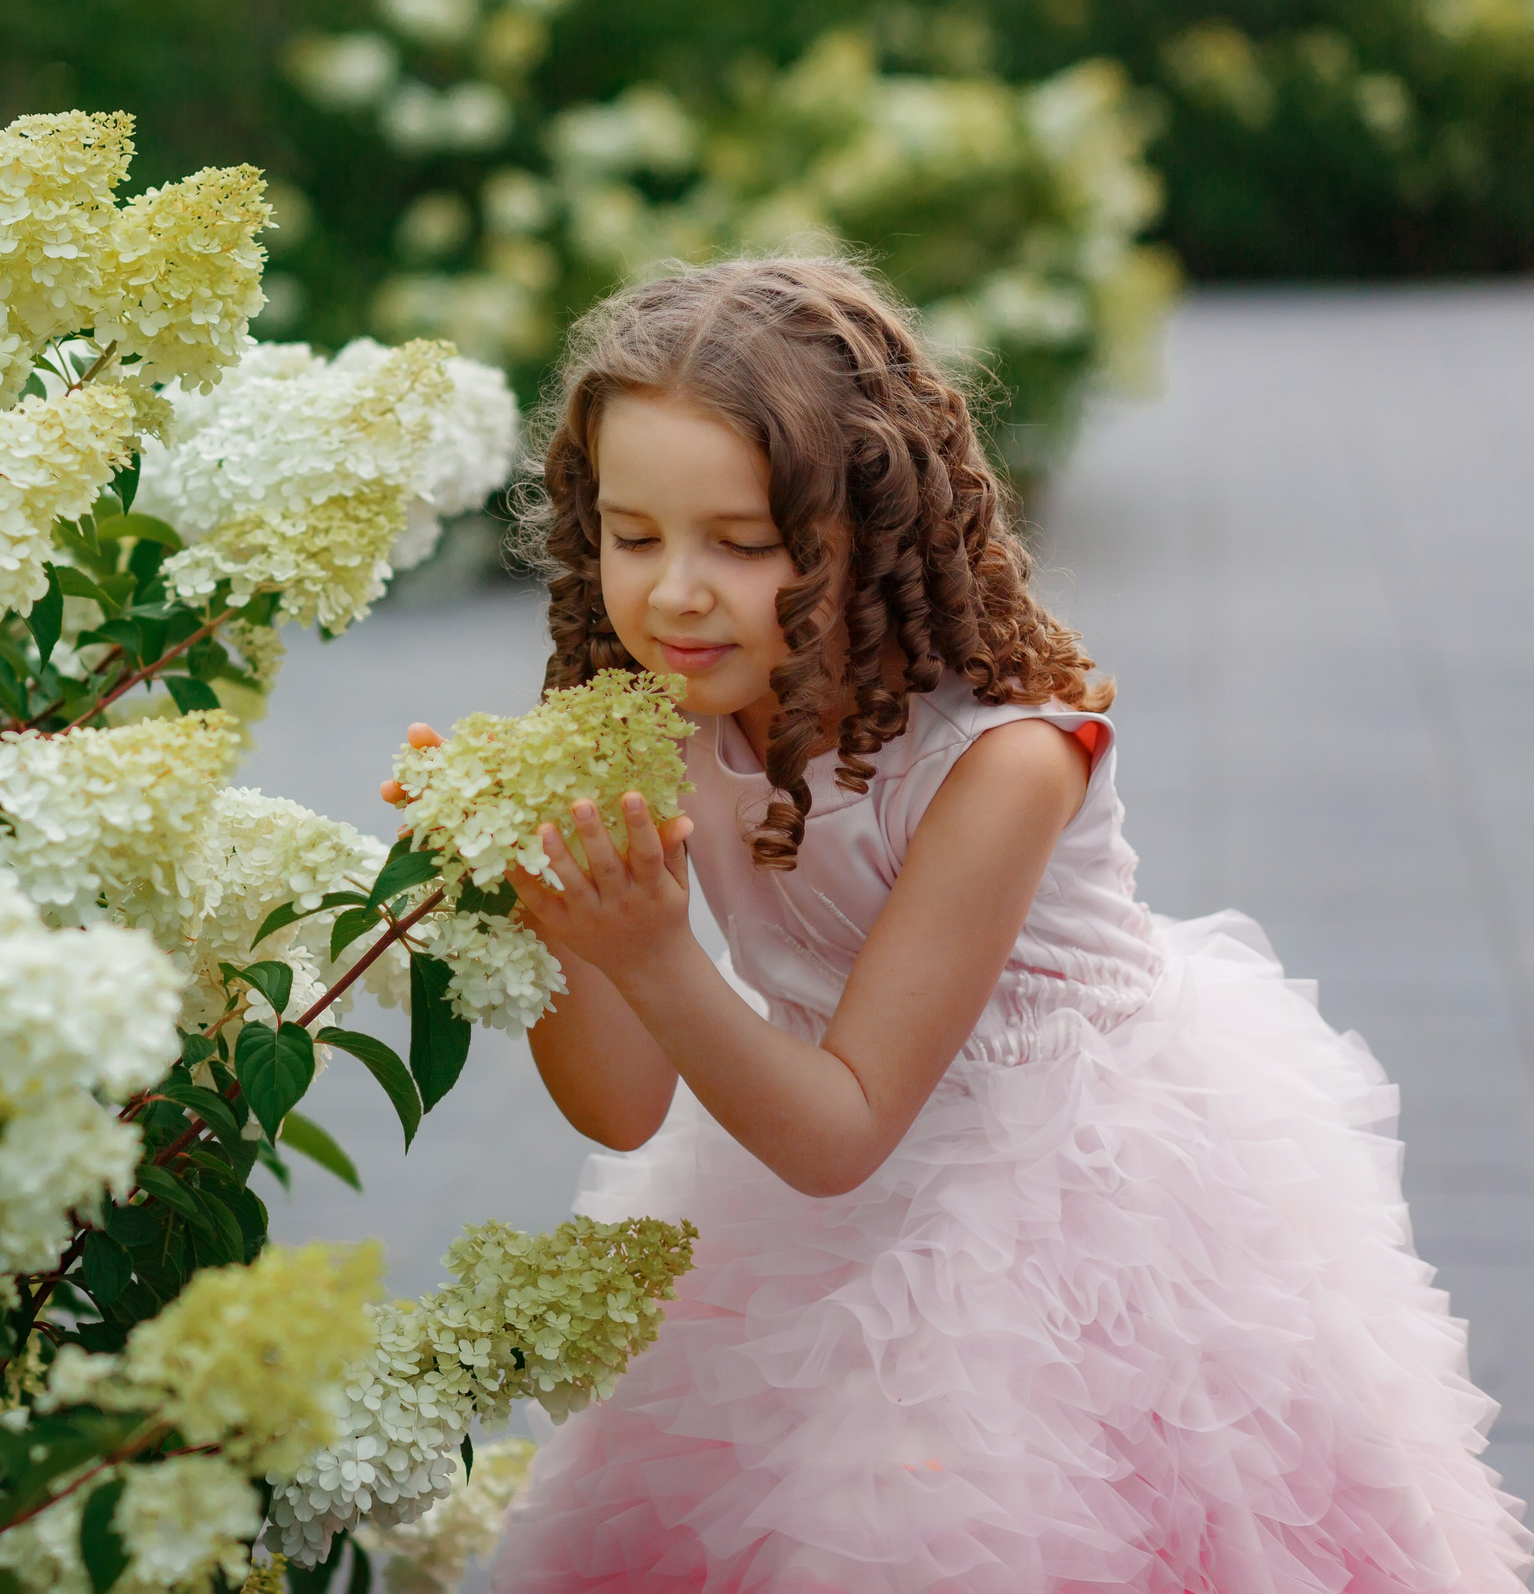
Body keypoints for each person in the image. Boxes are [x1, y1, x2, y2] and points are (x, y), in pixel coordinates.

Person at [391, 258, 1531, 1591]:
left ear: (867, 531)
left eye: (743, 542)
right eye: (632, 535)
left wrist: (652, 949)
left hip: (1059, 1200)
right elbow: (626, 1107)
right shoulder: (665, 714)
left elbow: (842, 1133)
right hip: (804, 1136)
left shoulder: (1002, 764)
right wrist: (551, 913)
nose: (675, 593)